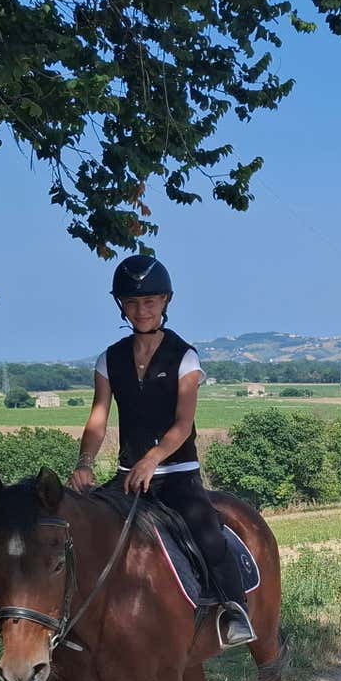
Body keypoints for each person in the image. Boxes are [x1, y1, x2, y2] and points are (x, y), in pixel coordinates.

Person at [67, 253, 255, 648]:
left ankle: (233, 610)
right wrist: (85, 463)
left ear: (166, 301)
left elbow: (183, 424)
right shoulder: (109, 359)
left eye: (150, 301)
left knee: (209, 536)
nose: (142, 311)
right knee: (79, 532)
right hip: (127, 480)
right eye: (132, 303)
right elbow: (98, 418)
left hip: (177, 477)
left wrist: (152, 459)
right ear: (121, 305)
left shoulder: (184, 357)